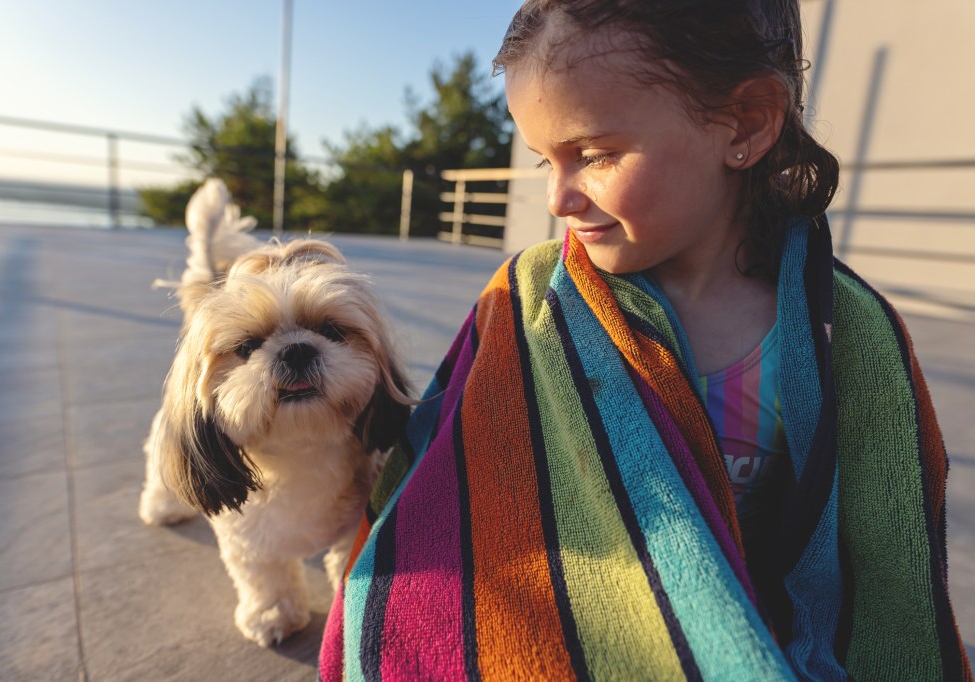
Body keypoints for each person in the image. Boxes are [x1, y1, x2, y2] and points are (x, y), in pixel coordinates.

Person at [320, 1, 973, 679]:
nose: (558, 198)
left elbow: (881, 577)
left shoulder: (849, 335)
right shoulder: (524, 304)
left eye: (594, 155)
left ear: (745, 122)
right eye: (546, 159)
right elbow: (446, 507)